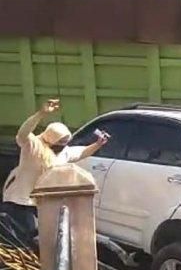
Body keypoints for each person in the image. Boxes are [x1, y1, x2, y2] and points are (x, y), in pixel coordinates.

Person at [0, 99, 107, 240]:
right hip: (20, 201)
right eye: (59, 143)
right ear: (50, 139)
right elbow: (23, 133)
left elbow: (81, 152)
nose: (62, 146)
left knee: (43, 238)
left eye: (65, 143)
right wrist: (41, 113)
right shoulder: (33, 145)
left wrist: (98, 144)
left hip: (43, 203)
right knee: (22, 237)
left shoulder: (64, 152)